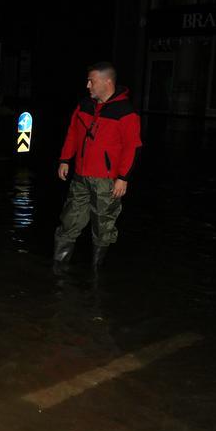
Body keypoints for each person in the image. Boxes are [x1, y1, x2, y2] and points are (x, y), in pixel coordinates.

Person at [53, 61, 141, 272]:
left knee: (103, 225)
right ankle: (57, 269)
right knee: (69, 219)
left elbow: (132, 147)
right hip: (81, 176)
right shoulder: (84, 105)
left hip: (107, 180)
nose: (88, 86)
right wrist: (65, 159)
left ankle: (96, 274)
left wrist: (123, 177)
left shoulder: (126, 112)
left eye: (92, 81)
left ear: (107, 82)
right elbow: (73, 133)